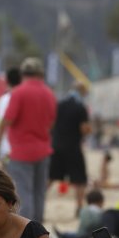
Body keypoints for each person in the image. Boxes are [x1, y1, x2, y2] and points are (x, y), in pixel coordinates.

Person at [0, 57, 57, 223]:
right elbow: (51, 121)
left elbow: (7, 121)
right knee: (39, 193)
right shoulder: (49, 93)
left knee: (24, 193)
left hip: (21, 151)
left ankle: (26, 232)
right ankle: (38, 228)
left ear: (23, 73)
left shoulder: (18, 93)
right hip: (43, 149)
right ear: (41, 73)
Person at [48, 82, 91, 216]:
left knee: (50, 177)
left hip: (56, 146)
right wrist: (89, 131)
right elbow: (84, 129)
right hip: (73, 147)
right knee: (80, 179)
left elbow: (50, 124)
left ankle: (37, 202)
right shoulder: (80, 107)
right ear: (82, 92)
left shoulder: (58, 105)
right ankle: (79, 207)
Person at [0, 67, 22, 168]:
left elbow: (2, 124)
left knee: (7, 181)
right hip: (23, 148)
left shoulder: (4, 99)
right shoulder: (26, 97)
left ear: (7, 81)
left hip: (7, 147)